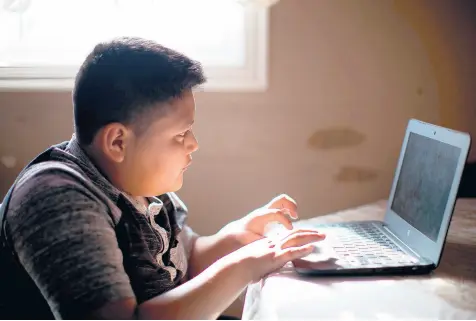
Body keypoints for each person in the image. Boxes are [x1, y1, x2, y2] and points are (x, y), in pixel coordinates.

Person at [0, 37, 325, 320]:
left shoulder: (136, 183)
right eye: (181, 134)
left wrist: (237, 238)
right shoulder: (57, 198)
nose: (194, 144)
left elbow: (184, 260)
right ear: (118, 142)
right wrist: (242, 266)